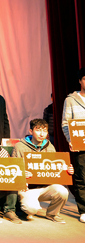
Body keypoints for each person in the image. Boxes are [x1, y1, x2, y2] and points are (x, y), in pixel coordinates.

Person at [12, 118, 74, 223]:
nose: (42, 134)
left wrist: (67, 170)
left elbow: (55, 167)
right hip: (27, 188)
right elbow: (13, 168)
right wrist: (22, 174)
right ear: (31, 131)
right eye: (38, 130)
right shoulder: (19, 146)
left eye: (44, 131)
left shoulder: (50, 147)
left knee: (62, 191)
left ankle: (53, 214)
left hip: (45, 187)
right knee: (31, 209)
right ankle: (23, 209)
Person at [61, 67, 85, 223]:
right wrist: (71, 140)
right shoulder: (70, 99)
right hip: (80, 144)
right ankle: (84, 210)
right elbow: (65, 123)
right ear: (80, 81)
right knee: (82, 177)